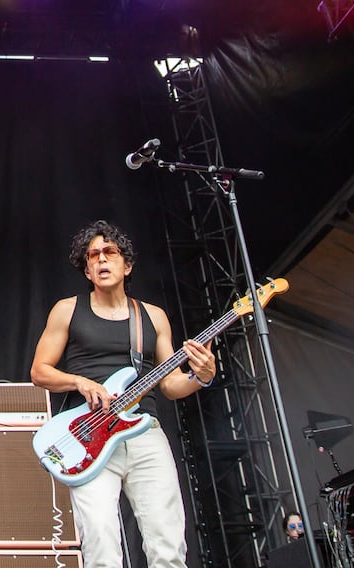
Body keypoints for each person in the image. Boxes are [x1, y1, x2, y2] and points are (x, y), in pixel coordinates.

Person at [29, 220, 215, 568]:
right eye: (93, 256)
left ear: (126, 264)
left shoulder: (153, 317)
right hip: (87, 436)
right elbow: (40, 371)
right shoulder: (67, 310)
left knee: (168, 542)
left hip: (145, 434)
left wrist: (201, 376)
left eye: (109, 252)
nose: (101, 260)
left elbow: (171, 385)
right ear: (86, 270)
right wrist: (79, 383)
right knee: (100, 542)